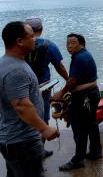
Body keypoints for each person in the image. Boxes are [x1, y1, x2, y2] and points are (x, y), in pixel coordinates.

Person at [0, 21, 60, 176]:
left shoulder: (6, 63)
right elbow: (21, 106)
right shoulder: (16, 70)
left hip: (13, 139)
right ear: (19, 41)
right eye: (31, 37)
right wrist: (44, 129)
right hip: (23, 142)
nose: (35, 40)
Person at [54, 33, 102, 171]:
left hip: (85, 97)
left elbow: (72, 81)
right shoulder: (83, 55)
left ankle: (78, 160)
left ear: (82, 44)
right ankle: (95, 152)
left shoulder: (80, 58)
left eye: (73, 43)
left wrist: (61, 93)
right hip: (92, 93)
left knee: (79, 127)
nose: (69, 46)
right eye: (68, 43)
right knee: (91, 124)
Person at [24, 17, 68, 159]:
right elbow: (59, 66)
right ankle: (40, 151)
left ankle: (27, 151)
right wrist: (69, 81)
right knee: (42, 118)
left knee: (25, 117)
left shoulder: (19, 45)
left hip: (22, 89)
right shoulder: (50, 45)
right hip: (44, 88)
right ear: (41, 29)